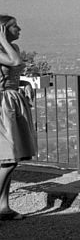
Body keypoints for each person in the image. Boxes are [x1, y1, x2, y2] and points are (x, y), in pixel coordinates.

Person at [0, 15, 37, 220]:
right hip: (2, 106)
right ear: (3, 29)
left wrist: (25, 83)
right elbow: (15, 62)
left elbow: (11, 76)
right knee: (9, 158)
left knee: (10, 159)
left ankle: (4, 207)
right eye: (14, 26)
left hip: (13, 103)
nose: (20, 29)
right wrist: (1, 40)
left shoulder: (13, 48)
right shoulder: (5, 50)